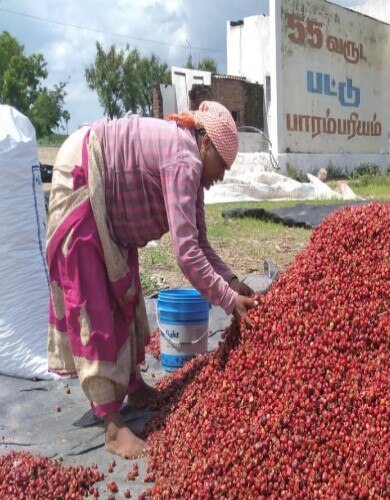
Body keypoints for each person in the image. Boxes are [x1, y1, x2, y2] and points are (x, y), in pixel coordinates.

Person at [46, 101, 258, 458]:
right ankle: (112, 426)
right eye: (222, 164)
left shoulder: (192, 166)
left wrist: (233, 282)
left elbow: (200, 240)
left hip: (112, 214)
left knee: (125, 293)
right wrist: (227, 299)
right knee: (95, 301)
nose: (221, 176)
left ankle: (133, 385)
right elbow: (186, 253)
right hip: (85, 175)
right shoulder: (184, 159)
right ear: (205, 143)